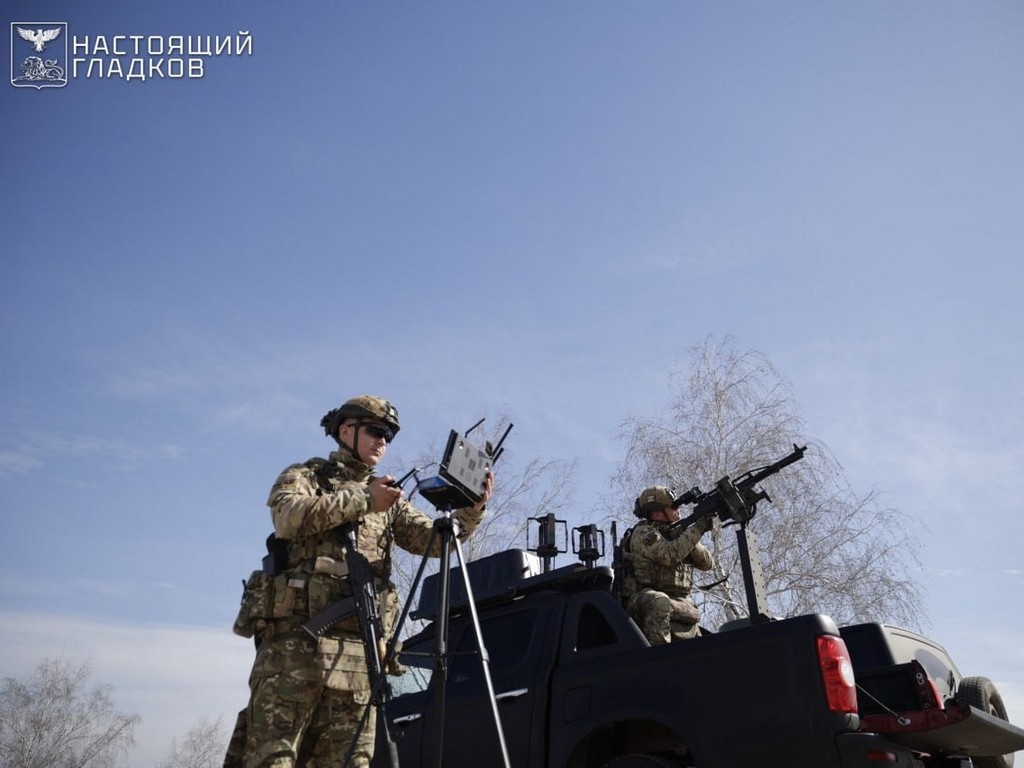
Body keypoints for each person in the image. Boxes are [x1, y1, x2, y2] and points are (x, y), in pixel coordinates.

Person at [232, 395, 493, 768]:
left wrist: (471, 509)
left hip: (359, 657)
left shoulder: (390, 500)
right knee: (273, 758)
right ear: (345, 430)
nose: (383, 440)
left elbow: (434, 542)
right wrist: (363, 500)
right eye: (375, 430)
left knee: (350, 761)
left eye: (389, 435)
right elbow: (287, 517)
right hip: (295, 649)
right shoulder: (308, 476)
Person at [619, 486, 714, 644]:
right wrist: (697, 528)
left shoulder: (677, 534)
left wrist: (689, 537)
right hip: (642, 599)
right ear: (657, 512)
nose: (678, 511)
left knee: (689, 608)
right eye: (673, 507)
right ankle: (659, 656)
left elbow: (707, 563)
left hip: (679, 600)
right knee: (660, 601)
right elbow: (669, 555)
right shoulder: (643, 533)